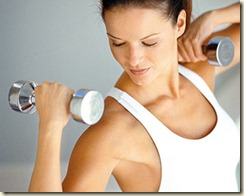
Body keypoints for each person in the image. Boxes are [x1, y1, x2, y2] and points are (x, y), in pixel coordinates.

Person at [28, 0, 240, 192]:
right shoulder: (112, 131)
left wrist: (214, 17)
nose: (134, 59)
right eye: (118, 43)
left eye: (149, 42)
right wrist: (50, 126)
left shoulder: (198, 67)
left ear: (180, 23)